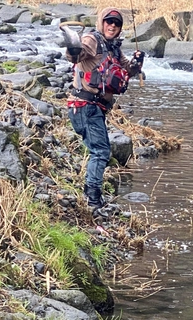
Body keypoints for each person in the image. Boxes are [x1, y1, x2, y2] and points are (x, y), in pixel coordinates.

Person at [64, 7, 145, 217]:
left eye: (116, 24)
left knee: (99, 151)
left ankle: (91, 194)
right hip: (84, 107)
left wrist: (137, 64)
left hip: (94, 109)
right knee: (100, 152)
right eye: (109, 21)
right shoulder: (92, 40)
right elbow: (77, 55)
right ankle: (93, 200)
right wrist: (73, 45)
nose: (112, 26)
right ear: (102, 22)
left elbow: (127, 70)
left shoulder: (114, 49)